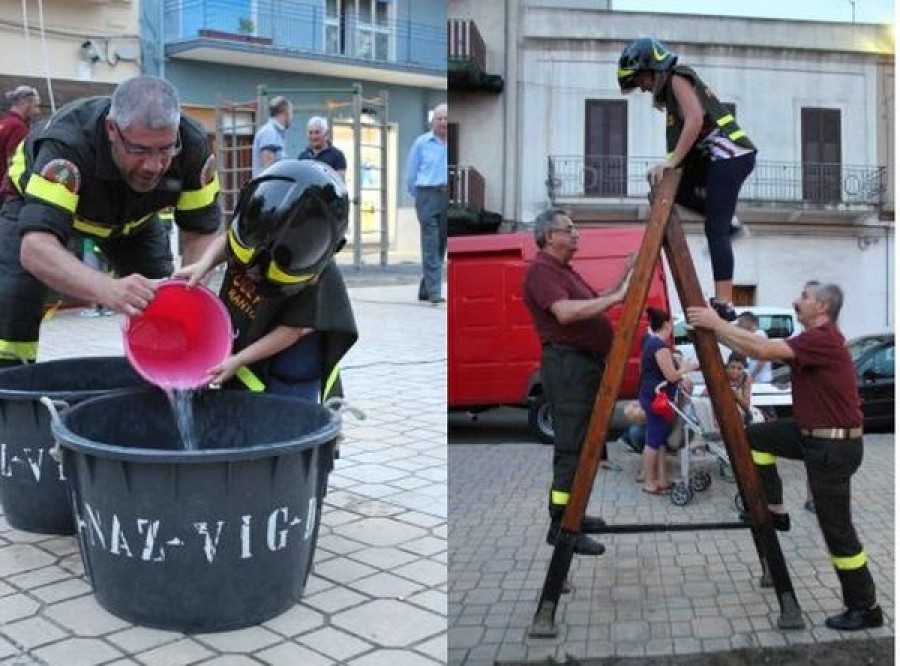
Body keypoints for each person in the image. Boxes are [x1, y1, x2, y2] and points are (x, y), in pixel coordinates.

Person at [687, 282, 882, 631]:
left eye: (804, 297)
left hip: (832, 447)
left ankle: (864, 606)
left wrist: (716, 324)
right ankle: (774, 507)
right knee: (755, 437)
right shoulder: (813, 339)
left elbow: (760, 349)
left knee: (837, 530)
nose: (796, 300)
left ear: (822, 307)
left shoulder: (822, 338)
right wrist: (717, 330)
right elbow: (756, 349)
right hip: (812, 435)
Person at [0, 75, 220, 366]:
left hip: (134, 222)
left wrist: (194, 283)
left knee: (163, 305)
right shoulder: (67, 144)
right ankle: (11, 385)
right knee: (16, 299)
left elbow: (200, 230)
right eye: (139, 150)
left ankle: (166, 382)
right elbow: (36, 248)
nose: (154, 166)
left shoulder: (192, 145)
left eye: (165, 149)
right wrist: (108, 289)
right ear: (112, 129)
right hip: (37, 209)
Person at [175, 159, 357, 403]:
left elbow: (291, 331)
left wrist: (239, 360)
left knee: (285, 416)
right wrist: (204, 264)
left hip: (289, 364)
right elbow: (229, 240)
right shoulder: (256, 227)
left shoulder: (316, 273)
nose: (253, 275)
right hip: (250, 342)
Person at [618, 37, 756, 322]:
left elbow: (694, 121)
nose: (642, 87)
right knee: (670, 187)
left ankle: (725, 302)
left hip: (729, 156)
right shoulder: (668, 90)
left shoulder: (678, 77)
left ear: (651, 67)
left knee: (713, 229)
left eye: (640, 79)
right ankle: (727, 220)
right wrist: (669, 169)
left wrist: (669, 163)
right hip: (712, 159)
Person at [522, 208, 634, 556]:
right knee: (570, 449)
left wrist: (627, 274)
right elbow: (565, 313)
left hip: (583, 366)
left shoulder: (564, 271)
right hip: (568, 367)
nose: (576, 234)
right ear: (549, 236)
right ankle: (561, 525)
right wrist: (615, 298)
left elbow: (598, 302)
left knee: (585, 447)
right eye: (569, 229)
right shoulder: (541, 271)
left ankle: (575, 514)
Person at [638, 307, 697, 495]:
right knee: (653, 441)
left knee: (658, 439)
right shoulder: (659, 346)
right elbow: (671, 376)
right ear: (666, 325)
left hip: (651, 395)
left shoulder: (649, 341)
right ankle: (649, 482)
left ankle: (661, 479)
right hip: (658, 400)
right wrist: (686, 368)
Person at [405, 103, 448, 304]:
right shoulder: (422, 143)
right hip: (427, 194)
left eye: (446, 118)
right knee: (430, 242)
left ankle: (426, 287)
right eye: (439, 118)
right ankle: (434, 292)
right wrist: (418, 195)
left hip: (447, 196)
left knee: (440, 245)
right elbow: (411, 173)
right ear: (433, 121)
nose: (443, 122)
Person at [0, 85, 40, 204]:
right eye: (36, 106)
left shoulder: (4, 123)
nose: (38, 111)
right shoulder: (18, 128)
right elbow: (13, 163)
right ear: (26, 104)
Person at [252, 96, 293, 176]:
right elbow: (269, 169)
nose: (292, 117)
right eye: (291, 112)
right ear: (286, 112)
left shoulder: (275, 133)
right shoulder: (269, 132)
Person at [736, 312, 772, 385]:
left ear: (748, 322)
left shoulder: (759, 335)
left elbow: (763, 360)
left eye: (740, 322)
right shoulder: (751, 335)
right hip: (754, 378)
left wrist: (752, 376)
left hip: (761, 379)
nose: (738, 325)